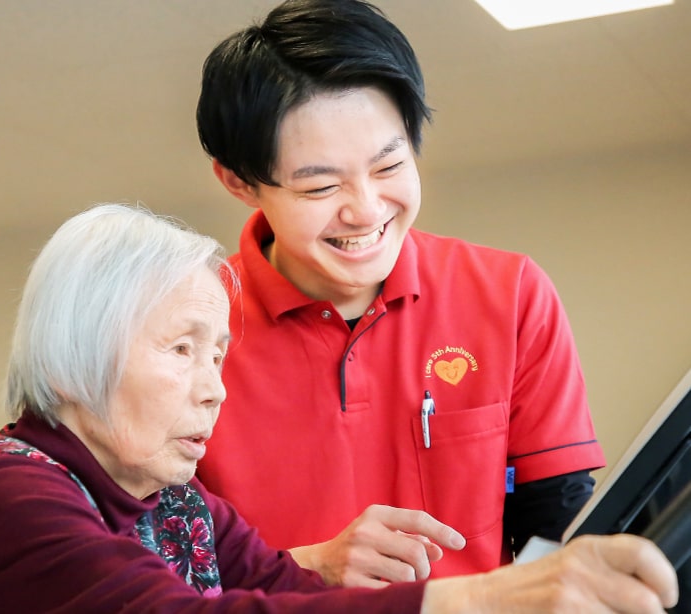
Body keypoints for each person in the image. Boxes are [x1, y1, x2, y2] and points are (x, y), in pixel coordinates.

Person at [0, 203, 678, 613]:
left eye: (219, 354)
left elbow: (287, 592)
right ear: (77, 355)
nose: (215, 387)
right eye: (181, 351)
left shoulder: (177, 506)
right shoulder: (0, 492)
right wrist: (487, 601)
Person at [195, 0, 607, 587]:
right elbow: (142, 560)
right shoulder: (185, 326)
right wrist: (307, 568)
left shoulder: (509, 294)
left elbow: (555, 521)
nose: (365, 209)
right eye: (320, 185)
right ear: (239, 182)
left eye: (389, 166)